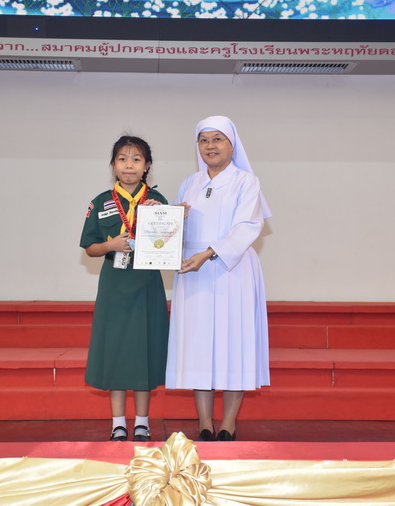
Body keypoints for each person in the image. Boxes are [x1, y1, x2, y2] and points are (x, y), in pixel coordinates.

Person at [166, 115, 272, 442]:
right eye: (204, 140)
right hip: (194, 273)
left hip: (232, 271)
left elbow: (247, 227)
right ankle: (204, 423)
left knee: (234, 343)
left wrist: (210, 253)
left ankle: (228, 423)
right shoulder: (190, 182)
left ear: (231, 144)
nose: (210, 146)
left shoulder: (246, 182)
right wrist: (170, 219)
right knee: (199, 346)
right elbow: (178, 229)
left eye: (217, 139)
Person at [80, 135, 169, 442]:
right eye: (122, 159)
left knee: (145, 349)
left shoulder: (158, 202)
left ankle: (142, 422)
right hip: (114, 283)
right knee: (116, 350)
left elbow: (169, 244)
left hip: (146, 282)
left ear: (147, 166)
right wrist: (111, 245)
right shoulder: (100, 202)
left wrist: (166, 219)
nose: (129, 165)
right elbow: (90, 248)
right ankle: (118, 422)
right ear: (113, 165)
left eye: (136, 159)